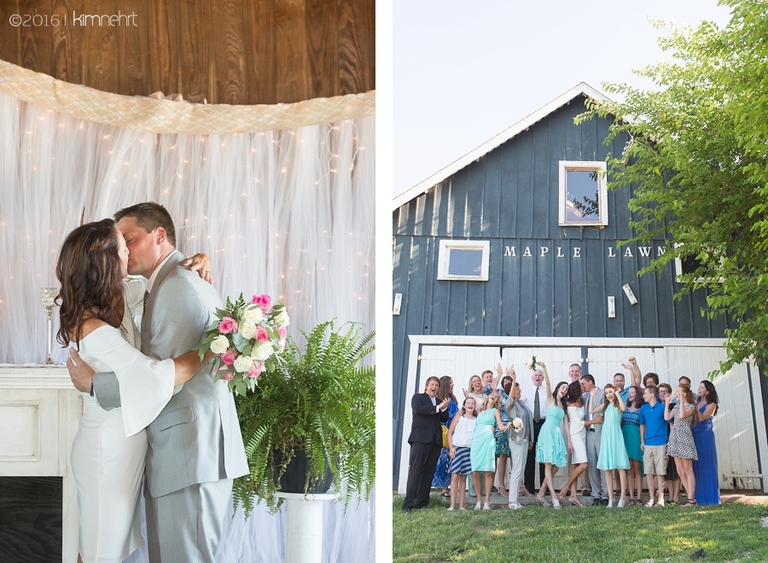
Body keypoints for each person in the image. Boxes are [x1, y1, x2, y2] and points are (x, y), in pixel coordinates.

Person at [67, 202, 248, 562]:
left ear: (159, 236)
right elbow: (154, 375)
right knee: (103, 550)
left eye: (128, 239)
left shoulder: (173, 285)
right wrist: (214, 348)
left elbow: (163, 378)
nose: (125, 249)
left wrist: (94, 385)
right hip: (128, 450)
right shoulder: (141, 291)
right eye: (120, 245)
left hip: (189, 451)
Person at [403, 376, 451, 512]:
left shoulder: (439, 401)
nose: (434, 387)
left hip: (435, 442)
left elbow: (445, 418)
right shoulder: (418, 398)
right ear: (426, 386)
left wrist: (443, 408)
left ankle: (422, 502)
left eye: (437, 386)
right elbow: (419, 410)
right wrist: (437, 407)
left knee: (428, 472)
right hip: (420, 439)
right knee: (415, 471)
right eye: (432, 385)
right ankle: (408, 504)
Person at [534, 361, 568, 509]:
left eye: (566, 389)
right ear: (558, 388)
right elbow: (547, 383)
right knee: (548, 464)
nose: (564, 390)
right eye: (563, 387)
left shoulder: (563, 406)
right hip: (547, 431)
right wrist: (545, 368)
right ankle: (553, 497)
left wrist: (570, 441)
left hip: (557, 434)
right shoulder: (550, 399)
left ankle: (541, 494)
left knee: (555, 466)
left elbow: (566, 424)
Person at [589, 383, 629, 507]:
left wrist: (617, 393)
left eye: (610, 392)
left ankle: (622, 498)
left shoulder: (617, 405)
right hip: (606, 437)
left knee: (620, 467)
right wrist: (592, 396)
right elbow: (591, 410)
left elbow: (623, 408)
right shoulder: (605, 406)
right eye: (607, 393)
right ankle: (611, 499)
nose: (609, 395)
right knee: (607, 467)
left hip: (616, 436)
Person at [471, 392, 509, 510]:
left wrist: (512, 425)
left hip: (488, 441)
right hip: (477, 441)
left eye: (496, 396)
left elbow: (501, 426)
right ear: (487, 397)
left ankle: (487, 501)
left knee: (488, 471)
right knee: (475, 472)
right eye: (492, 394)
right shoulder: (479, 411)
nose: (494, 396)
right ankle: (478, 500)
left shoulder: (495, 411)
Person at [503, 367, 533, 510]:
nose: (520, 392)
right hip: (516, 440)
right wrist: (513, 379)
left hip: (525, 440)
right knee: (516, 469)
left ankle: (514, 500)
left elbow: (528, 421)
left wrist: (531, 439)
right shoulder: (510, 404)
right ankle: (512, 501)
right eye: (518, 390)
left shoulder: (522, 403)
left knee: (520, 469)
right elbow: (509, 399)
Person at [666, 384, 698, 506]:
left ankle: (690, 498)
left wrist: (683, 400)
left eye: (678, 392)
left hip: (684, 438)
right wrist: (667, 404)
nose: (675, 394)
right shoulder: (677, 406)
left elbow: (683, 416)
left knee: (687, 469)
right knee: (680, 470)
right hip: (675, 437)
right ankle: (692, 498)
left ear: (684, 394)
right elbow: (667, 417)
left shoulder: (690, 407)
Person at [558, 381, 587, 507]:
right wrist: (595, 421)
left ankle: (573, 496)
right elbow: (576, 422)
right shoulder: (569, 404)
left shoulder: (581, 401)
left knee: (575, 465)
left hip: (583, 434)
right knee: (584, 465)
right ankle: (566, 486)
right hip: (575, 435)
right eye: (581, 385)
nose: (583, 386)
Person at [580, 373, 607, 506]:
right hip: (588, 433)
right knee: (592, 464)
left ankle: (606, 494)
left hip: (601, 432)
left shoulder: (602, 393)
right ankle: (596, 494)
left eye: (583, 383)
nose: (582, 386)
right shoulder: (584, 397)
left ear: (590, 382)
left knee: (603, 464)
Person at [639, 385, 668, 507]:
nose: (643, 396)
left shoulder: (662, 407)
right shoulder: (643, 408)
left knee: (661, 472)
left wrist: (668, 442)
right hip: (648, 444)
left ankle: (661, 499)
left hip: (661, 443)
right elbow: (642, 425)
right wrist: (642, 441)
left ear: (652, 394)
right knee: (649, 472)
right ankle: (651, 498)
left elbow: (669, 423)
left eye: (645, 393)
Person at [446, 397, 477, 510]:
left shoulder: (476, 420)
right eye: (468, 403)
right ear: (464, 406)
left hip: (468, 450)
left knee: (463, 477)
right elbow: (449, 433)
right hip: (457, 448)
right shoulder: (459, 417)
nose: (470, 405)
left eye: (473, 403)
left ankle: (461, 505)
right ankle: (452, 504)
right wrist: (450, 448)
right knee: (455, 476)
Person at [692, 380, 720, 505]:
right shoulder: (696, 402)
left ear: (707, 391)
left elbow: (702, 417)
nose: (699, 389)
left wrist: (693, 405)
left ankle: (711, 499)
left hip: (705, 436)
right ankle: (698, 498)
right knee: (695, 466)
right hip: (693, 435)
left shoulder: (712, 404)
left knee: (707, 465)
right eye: (699, 387)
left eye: (701, 387)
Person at [431, 376, 459, 497]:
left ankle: (444, 487)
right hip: (442, 434)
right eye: (451, 383)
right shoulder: (440, 400)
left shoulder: (453, 399)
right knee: (439, 461)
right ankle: (436, 485)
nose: (453, 385)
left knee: (448, 461)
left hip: (452, 435)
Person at [522, 366, 547, 497]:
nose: (538, 377)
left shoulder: (547, 391)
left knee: (543, 455)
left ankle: (544, 487)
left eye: (540, 375)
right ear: (532, 378)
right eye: (535, 375)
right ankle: (529, 488)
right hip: (530, 423)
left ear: (543, 378)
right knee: (530, 455)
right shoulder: (526, 391)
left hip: (543, 422)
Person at [621, 385, 645, 505]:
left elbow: (643, 425)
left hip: (636, 438)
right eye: (628, 393)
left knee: (637, 468)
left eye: (632, 392)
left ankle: (639, 497)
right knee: (629, 469)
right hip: (625, 438)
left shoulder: (642, 409)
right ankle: (631, 497)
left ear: (637, 394)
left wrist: (642, 441)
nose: (629, 395)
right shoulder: (624, 407)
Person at [658, 383, 681, 504]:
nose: (662, 393)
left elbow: (672, 424)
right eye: (660, 391)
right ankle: (671, 496)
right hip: (661, 440)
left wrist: (672, 440)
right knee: (667, 470)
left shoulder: (673, 406)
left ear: (669, 393)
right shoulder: (657, 406)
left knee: (675, 469)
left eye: (665, 391)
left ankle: (676, 497)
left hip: (672, 438)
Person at [495, 368, 513, 497]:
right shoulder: (499, 394)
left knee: (515, 457)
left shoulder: (515, 395)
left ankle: (519, 484)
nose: (507, 382)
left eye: (509, 380)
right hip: (502, 429)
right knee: (502, 457)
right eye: (505, 380)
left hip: (514, 429)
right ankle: (501, 486)